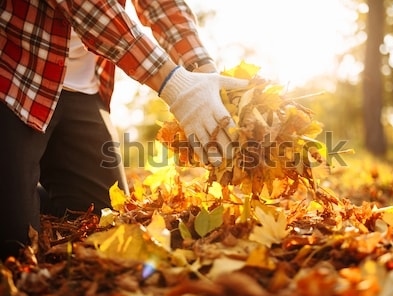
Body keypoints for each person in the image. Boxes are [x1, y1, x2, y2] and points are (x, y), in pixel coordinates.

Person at [0, 0, 248, 260]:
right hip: (14, 74)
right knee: (15, 246)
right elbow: (88, 6)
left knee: (99, 221)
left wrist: (202, 71)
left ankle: (21, 191)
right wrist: (175, 84)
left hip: (82, 89)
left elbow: (163, 5)